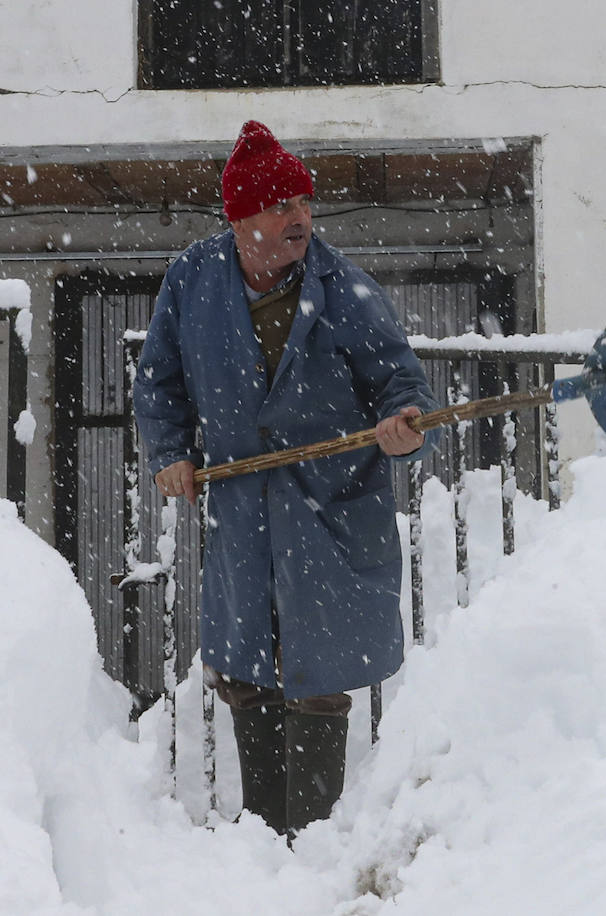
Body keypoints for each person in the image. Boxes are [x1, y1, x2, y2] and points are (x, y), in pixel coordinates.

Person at [131, 120, 439, 838]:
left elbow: (400, 382)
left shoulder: (344, 289)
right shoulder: (195, 281)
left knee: (319, 672)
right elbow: (161, 381)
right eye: (280, 207)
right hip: (241, 504)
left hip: (328, 504)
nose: (299, 218)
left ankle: (315, 839)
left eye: (303, 203)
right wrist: (170, 450)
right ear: (241, 220)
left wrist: (403, 425)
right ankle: (264, 838)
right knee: (245, 665)